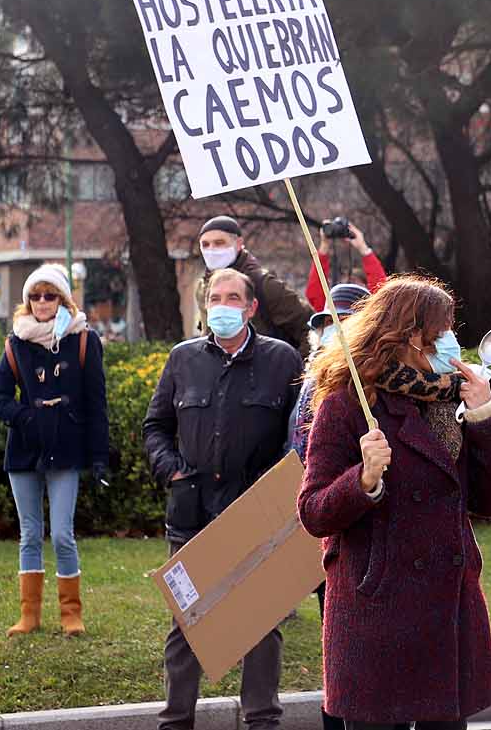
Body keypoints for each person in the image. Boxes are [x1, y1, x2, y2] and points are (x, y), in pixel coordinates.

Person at [298, 275, 491, 730]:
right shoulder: (347, 404)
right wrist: (364, 479)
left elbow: (489, 501)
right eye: (444, 328)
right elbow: (314, 511)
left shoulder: (452, 397)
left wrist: (484, 417)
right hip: (377, 610)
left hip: (446, 609)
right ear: (414, 336)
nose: (453, 340)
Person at [144, 267, 303, 730]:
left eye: (233, 297)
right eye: (215, 297)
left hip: (255, 514)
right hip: (192, 514)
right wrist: (171, 470)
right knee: (185, 622)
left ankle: (262, 720)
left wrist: (275, 489)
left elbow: (298, 433)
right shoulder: (182, 358)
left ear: (251, 308)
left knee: (261, 621)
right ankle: (176, 721)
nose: (223, 306)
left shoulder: (282, 360)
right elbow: (155, 426)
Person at [285, 280, 392, 730]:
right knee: (338, 640)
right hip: (324, 515)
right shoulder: (312, 378)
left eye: (344, 320)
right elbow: (299, 442)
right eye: (326, 321)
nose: (334, 329)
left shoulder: (366, 386)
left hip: (362, 531)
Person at [0, 264, 108, 638]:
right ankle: (30, 615)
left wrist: (100, 456)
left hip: (66, 448)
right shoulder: (15, 343)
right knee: (29, 534)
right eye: (35, 296)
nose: (41, 302)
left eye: (49, 295)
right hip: (25, 451)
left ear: (63, 300)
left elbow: (96, 403)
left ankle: (71, 613)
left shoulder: (83, 339)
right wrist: (26, 417)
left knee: (63, 535)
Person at [195, 215, 313, 356]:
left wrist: (294, 370)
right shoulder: (202, 288)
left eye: (219, 243)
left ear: (238, 244)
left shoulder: (264, 284)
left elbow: (312, 327)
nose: (212, 250)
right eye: (205, 245)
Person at [290, 282, 373, 463]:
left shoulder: (367, 379)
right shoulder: (312, 371)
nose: (335, 326)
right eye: (330, 321)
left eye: (344, 320)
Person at [304, 219, 387, 312]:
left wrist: (363, 248)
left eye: (356, 285)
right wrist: (324, 246)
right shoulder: (330, 314)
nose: (349, 291)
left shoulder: (369, 316)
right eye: (347, 284)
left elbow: (382, 293)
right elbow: (315, 293)